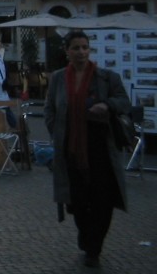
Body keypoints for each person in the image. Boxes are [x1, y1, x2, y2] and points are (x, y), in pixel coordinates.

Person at [44, 30, 130, 269]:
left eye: (85, 47)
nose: (81, 52)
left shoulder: (106, 77)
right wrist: (57, 132)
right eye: (76, 48)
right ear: (67, 52)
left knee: (103, 201)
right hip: (71, 148)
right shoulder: (59, 78)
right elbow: (50, 109)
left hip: (100, 147)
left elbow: (125, 101)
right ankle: (86, 237)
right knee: (78, 202)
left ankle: (94, 248)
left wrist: (107, 105)